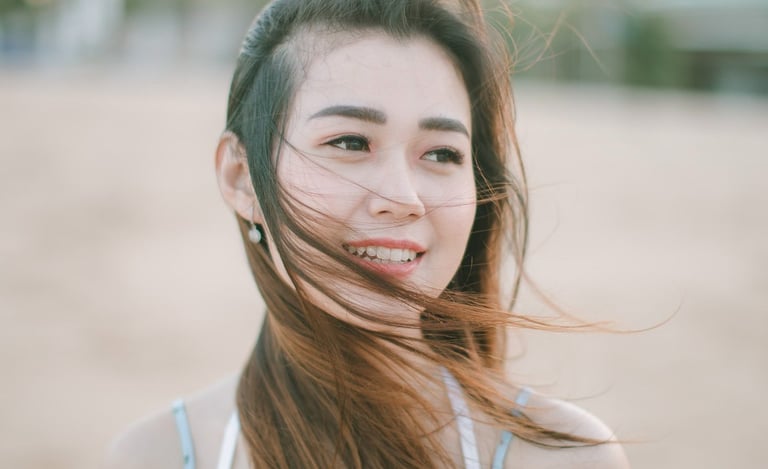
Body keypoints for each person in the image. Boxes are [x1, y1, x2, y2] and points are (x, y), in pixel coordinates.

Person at [105, 0, 630, 467]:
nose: (404, 198)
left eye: (442, 153)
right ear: (241, 177)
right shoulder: (159, 455)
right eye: (351, 142)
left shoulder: (562, 456)